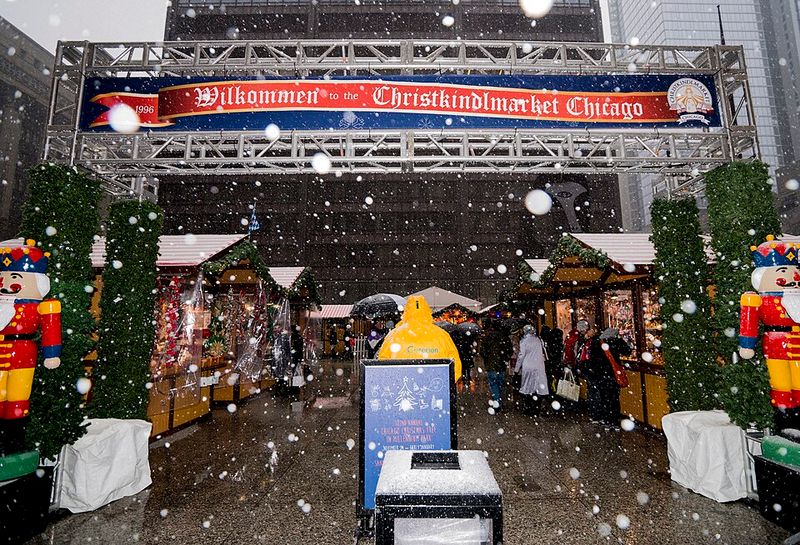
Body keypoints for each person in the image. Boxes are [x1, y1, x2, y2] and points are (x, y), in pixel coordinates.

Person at [585, 327, 632, 426]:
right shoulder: (617, 342)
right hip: (613, 375)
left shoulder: (597, 342)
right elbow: (627, 351)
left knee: (604, 397)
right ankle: (614, 421)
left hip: (600, 375)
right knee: (614, 398)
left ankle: (606, 419)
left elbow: (592, 359)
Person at [514, 325, 549, 415]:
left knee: (527, 386)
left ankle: (528, 408)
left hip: (528, 366)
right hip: (539, 366)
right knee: (538, 387)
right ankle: (536, 407)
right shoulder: (538, 340)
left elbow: (521, 356)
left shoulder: (524, 341)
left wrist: (516, 369)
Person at [480, 319, 513, 411]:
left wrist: (487, 358)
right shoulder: (504, 337)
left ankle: (497, 403)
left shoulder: (487, 337)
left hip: (491, 365)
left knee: (494, 384)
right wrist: (504, 358)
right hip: (501, 365)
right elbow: (510, 350)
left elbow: (482, 351)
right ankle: (499, 402)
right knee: (500, 384)